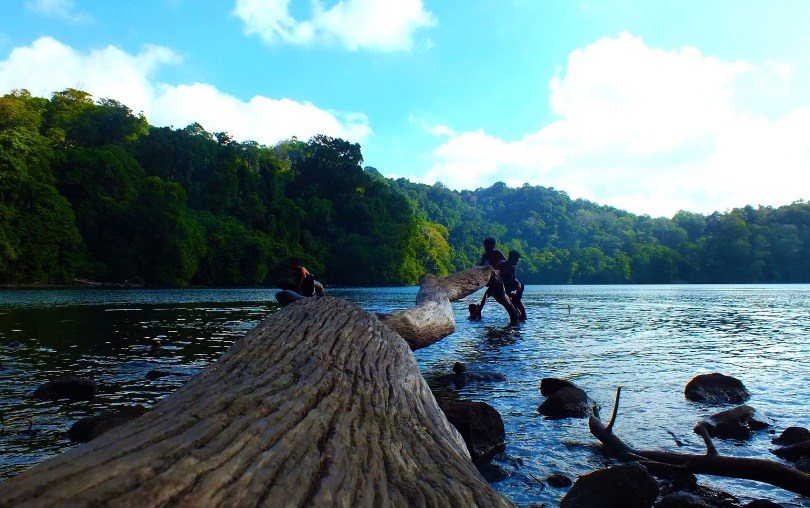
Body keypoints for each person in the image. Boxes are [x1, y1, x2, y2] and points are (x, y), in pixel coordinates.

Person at [469, 237, 520, 325]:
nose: (486, 247)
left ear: (493, 246)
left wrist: (511, 274)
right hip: (494, 275)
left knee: (513, 291)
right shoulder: (485, 255)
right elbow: (480, 266)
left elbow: (507, 262)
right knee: (491, 295)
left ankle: (517, 309)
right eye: (485, 246)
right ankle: (477, 312)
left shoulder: (497, 253)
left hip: (503, 275)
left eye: (488, 246)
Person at [495, 250, 526, 320]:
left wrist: (518, 285)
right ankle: (512, 300)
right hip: (501, 286)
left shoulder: (513, 267)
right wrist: (506, 271)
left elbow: (514, 279)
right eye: (516, 260)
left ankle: (515, 304)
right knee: (508, 277)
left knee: (522, 286)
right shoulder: (502, 263)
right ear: (511, 258)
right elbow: (494, 274)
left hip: (510, 285)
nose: (516, 262)